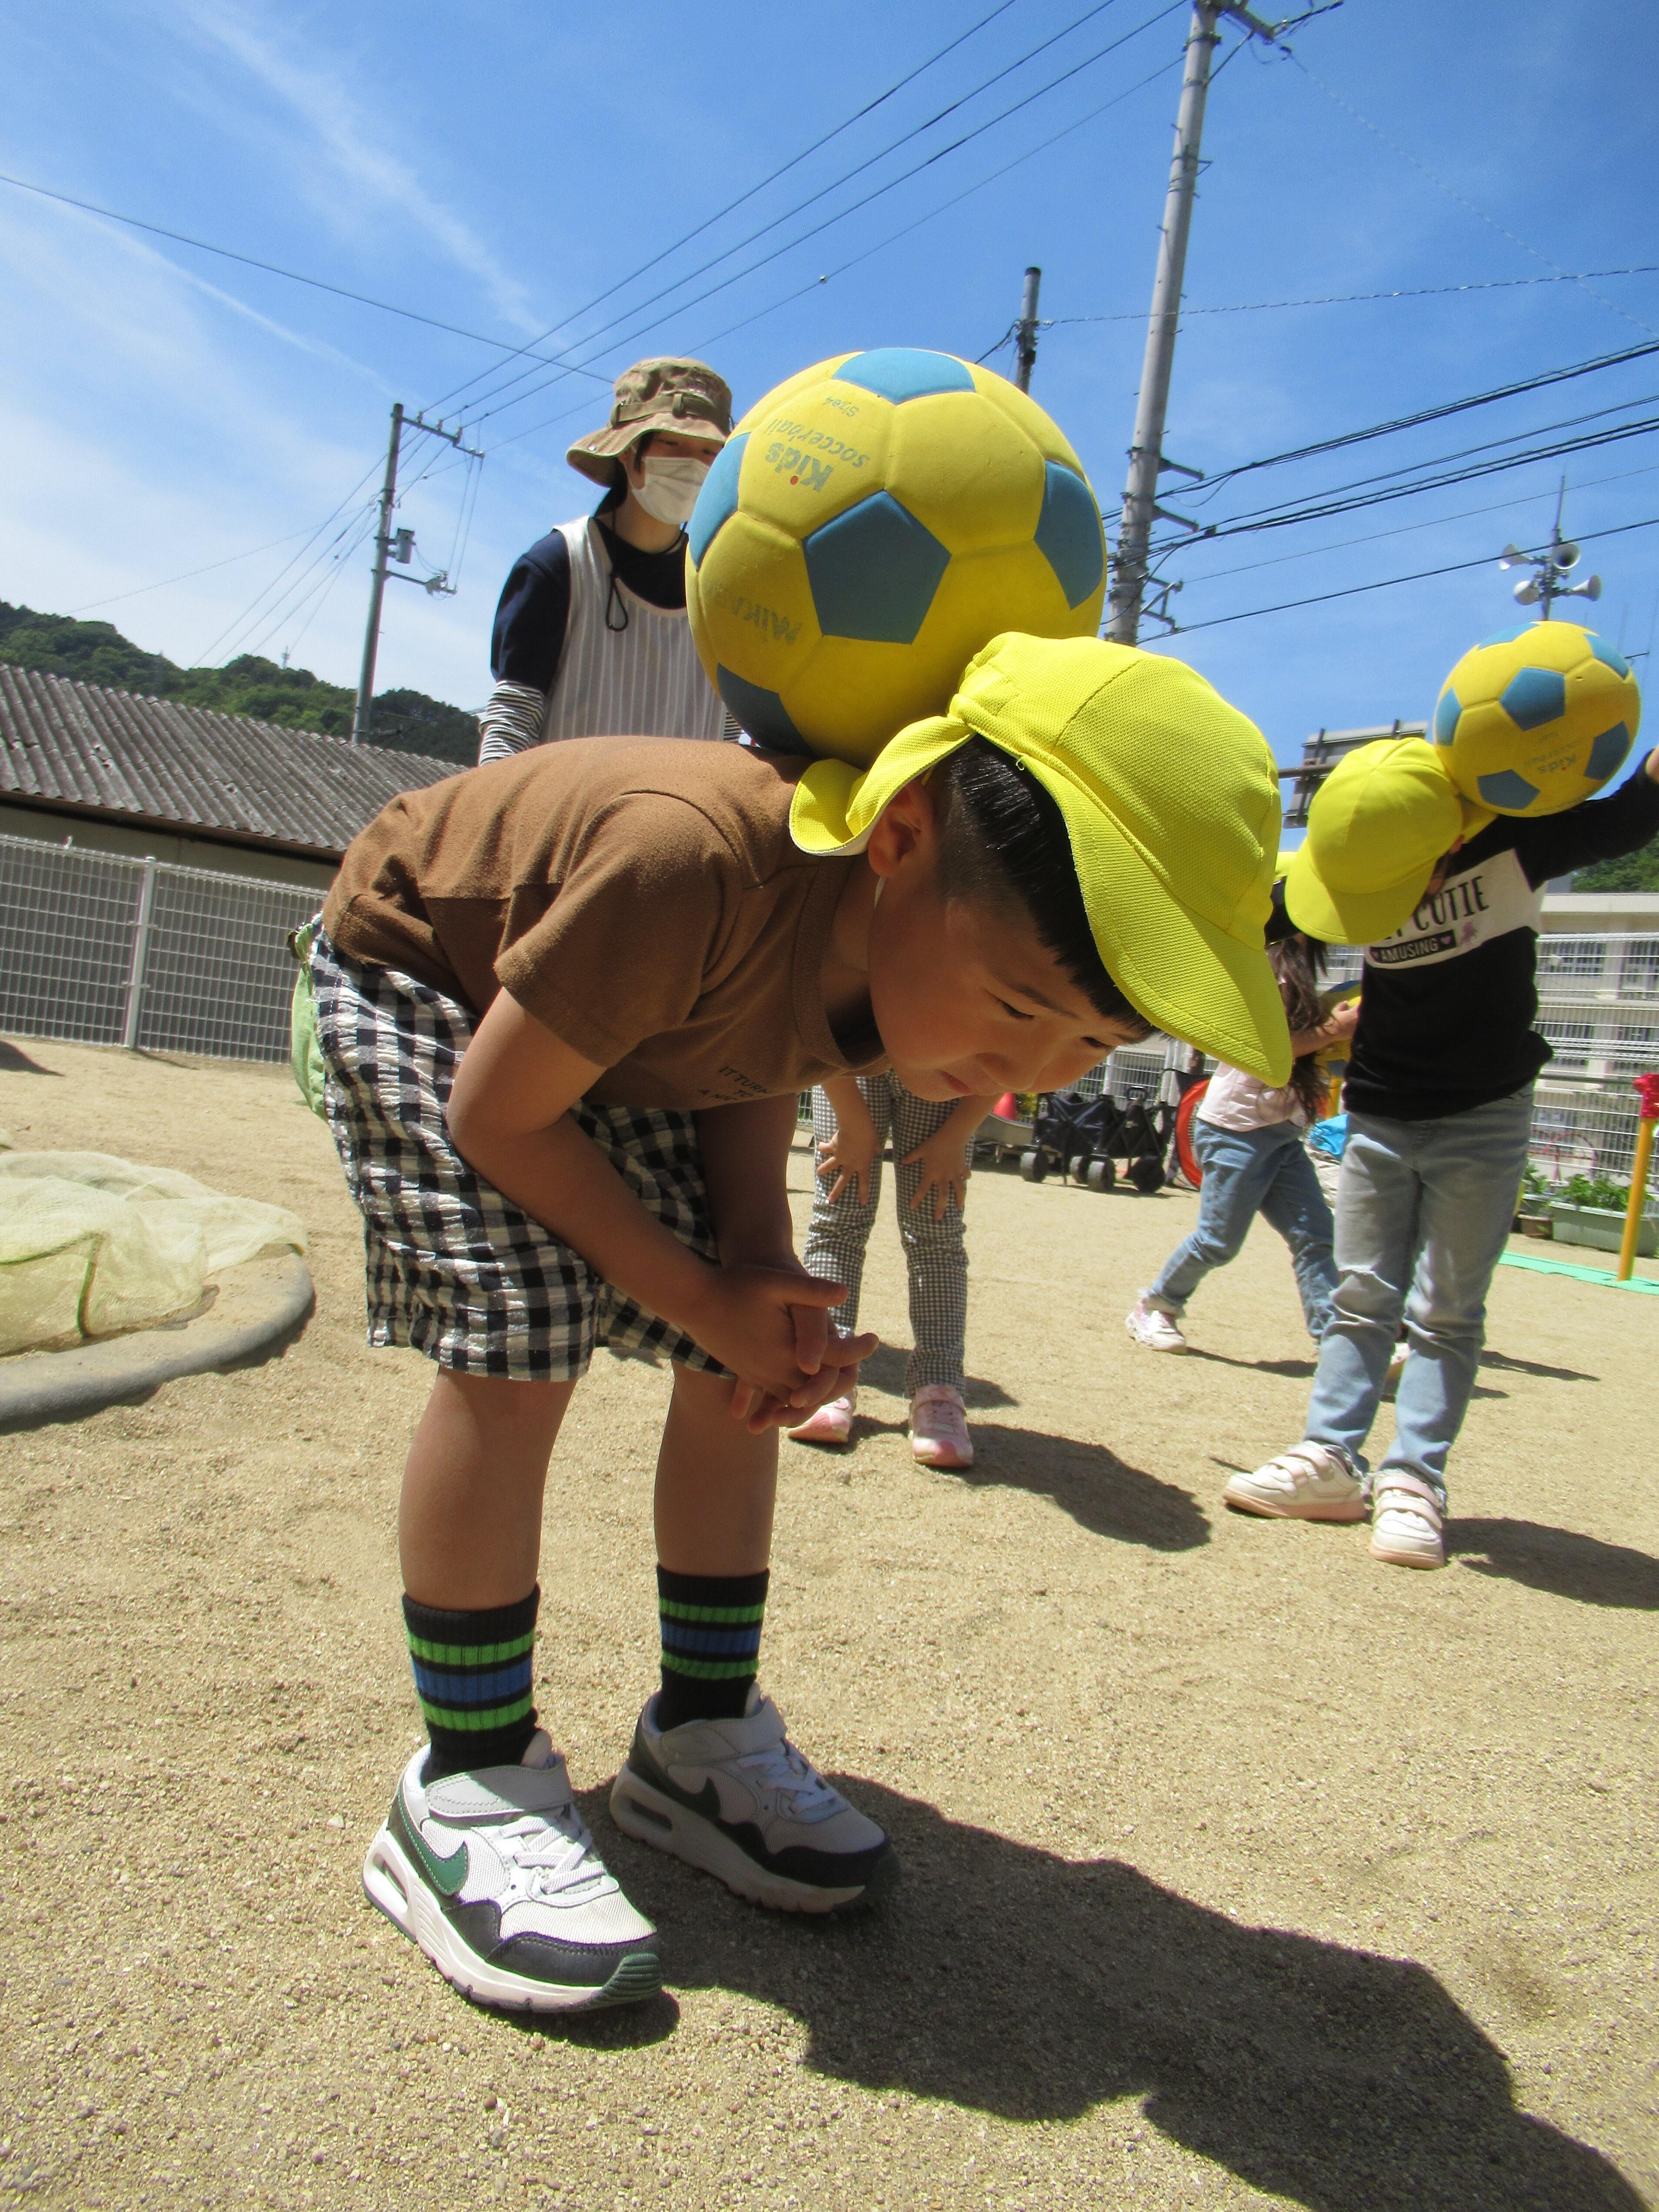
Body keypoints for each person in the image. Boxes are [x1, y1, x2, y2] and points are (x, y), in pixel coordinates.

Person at [310, 629, 1290, 2015]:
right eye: (1015, 1008)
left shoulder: (895, 950)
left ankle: (696, 1743)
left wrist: (753, 1274)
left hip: (622, 1013)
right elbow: (498, 1113)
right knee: (520, 1332)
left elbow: (751, 1047)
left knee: (735, 1352)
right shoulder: (691, 859)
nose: (1017, 1074)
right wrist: (697, 1286)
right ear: (897, 838)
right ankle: (464, 1781)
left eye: (1080, 1047)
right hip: (432, 970)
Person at [1224, 730, 1659, 1570]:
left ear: (1446, 840)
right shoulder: (1350, 866)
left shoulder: (1518, 843)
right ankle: (1331, 1459)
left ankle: (1415, 1479)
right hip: (1382, 1106)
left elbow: (1633, 818)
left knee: (1449, 1309)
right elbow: (1243, 913)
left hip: (1484, 1108)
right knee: (1361, 1296)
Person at [477, 357, 732, 762]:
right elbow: (512, 725)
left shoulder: (720, 590)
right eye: (671, 443)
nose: (692, 463)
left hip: (679, 826)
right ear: (630, 451)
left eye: (708, 451)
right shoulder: (560, 566)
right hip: (564, 823)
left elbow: (727, 741)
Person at [1125, 934, 1355, 1353]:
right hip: (1237, 1128)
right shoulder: (1272, 968)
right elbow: (1265, 1050)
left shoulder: (1306, 964)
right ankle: (1155, 1305)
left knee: (1315, 1236)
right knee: (1218, 1241)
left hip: (1283, 1131)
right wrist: (1332, 1031)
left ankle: (1334, 1340)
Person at [786, 1072, 997, 1467]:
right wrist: (852, 1120)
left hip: (952, 1070)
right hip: (850, 1060)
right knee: (838, 1214)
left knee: (936, 1229)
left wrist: (957, 1135)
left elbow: (1015, 1050)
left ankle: (939, 1386)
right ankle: (826, 1372)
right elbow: (822, 1015)